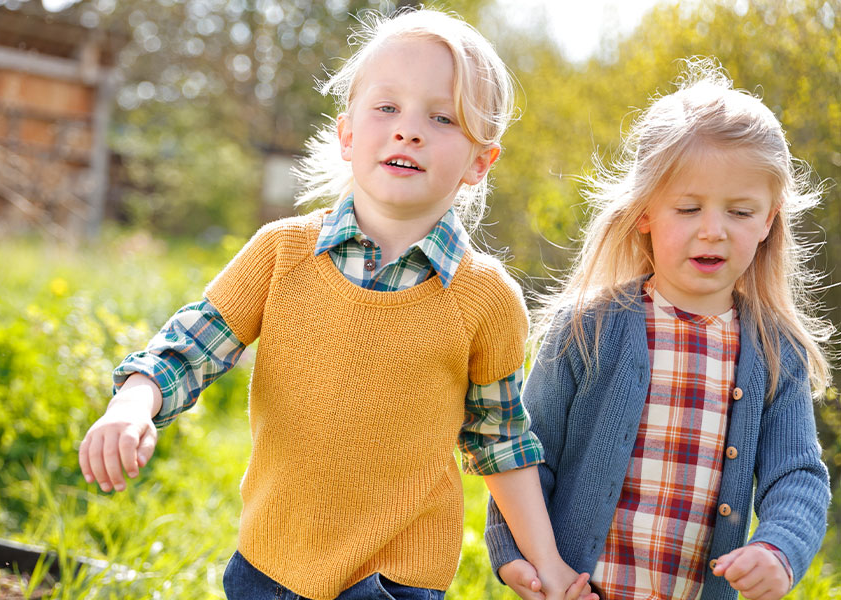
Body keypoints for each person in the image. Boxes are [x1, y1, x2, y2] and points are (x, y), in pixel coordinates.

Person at [79, 8, 593, 600]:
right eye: (386, 108)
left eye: (443, 117)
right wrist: (132, 403)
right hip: (271, 563)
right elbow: (192, 346)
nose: (409, 130)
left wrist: (548, 563)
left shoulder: (487, 299)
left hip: (398, 580)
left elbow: (502, 441)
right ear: (347, 132)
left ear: (481, 161)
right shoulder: (281, 253)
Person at [485, 58, 833, 600]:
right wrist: (516, 560)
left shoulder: (773, 350)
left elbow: (798, 476)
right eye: (688, 208)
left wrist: (778, 549)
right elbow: (531, 452)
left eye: (741, 212)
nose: (713, 231)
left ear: (769, 220)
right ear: (645, 209)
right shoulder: (588, 327)